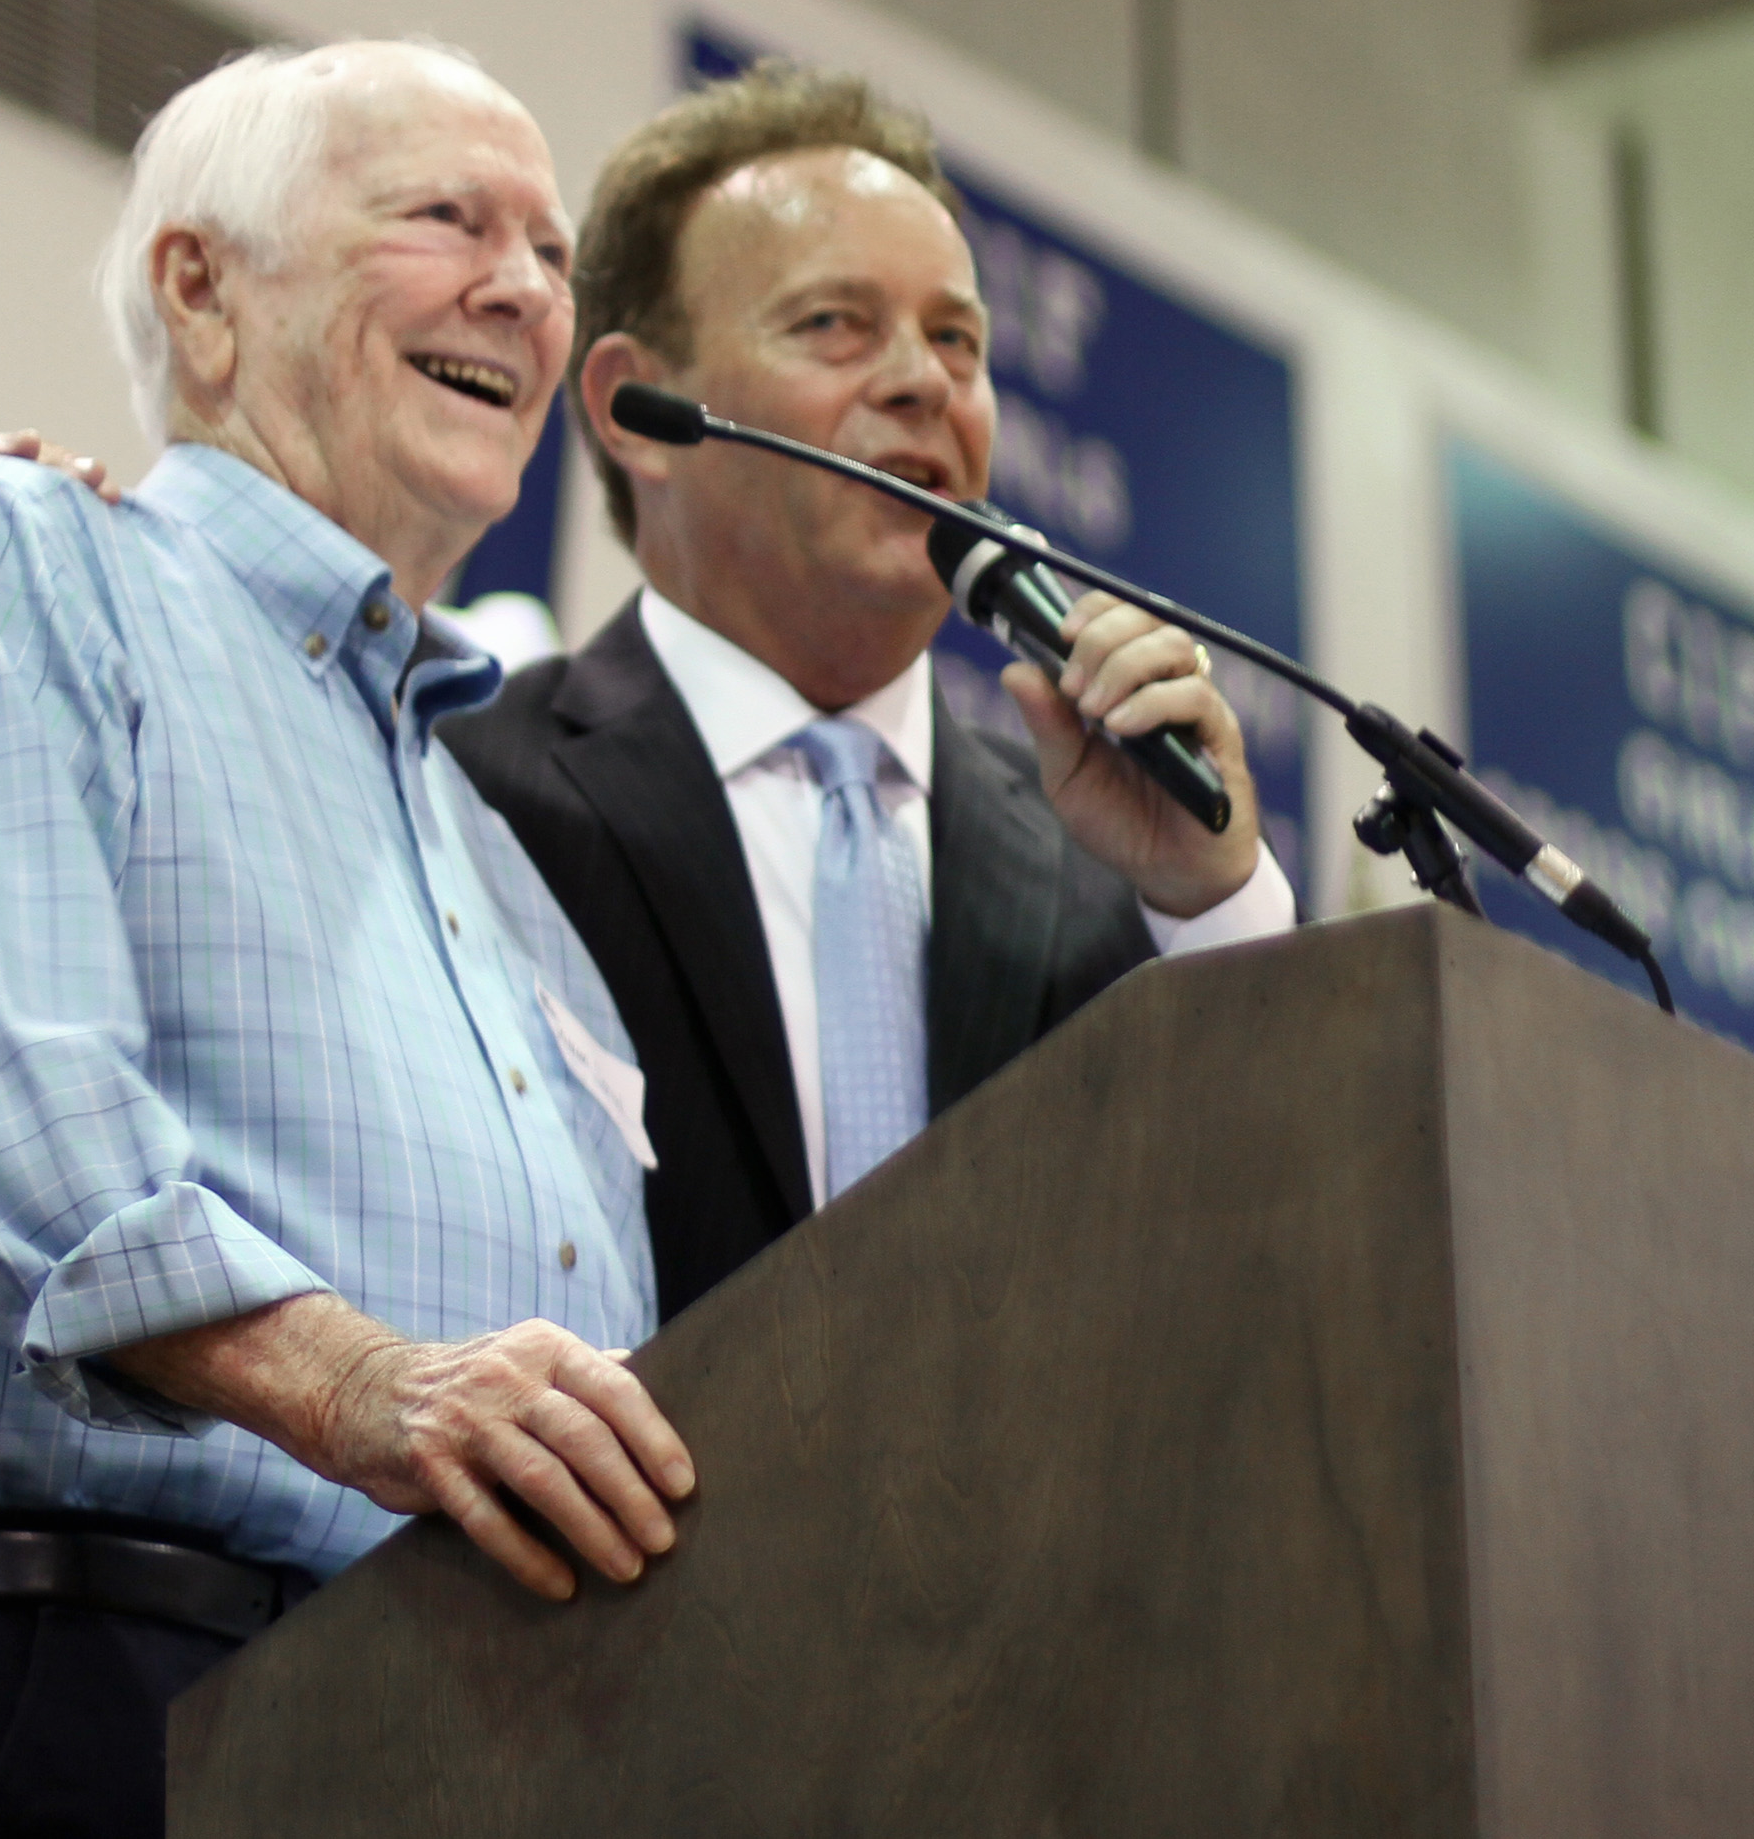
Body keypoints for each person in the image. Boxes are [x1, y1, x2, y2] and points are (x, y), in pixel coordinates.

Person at [0, 39, 694, 1839]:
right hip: (88, 1707)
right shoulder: (19, 559)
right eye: (449, 219)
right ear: (200, 290)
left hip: (468, 1748)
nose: (524, 286)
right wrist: (359, 1383)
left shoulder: (498, 857)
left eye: (552, 251)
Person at [438, 64, 1297, 1317]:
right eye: (834, 324)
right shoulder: (469, 797)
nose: (924, 383)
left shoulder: (1123, 853)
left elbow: (1267, 1263)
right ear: (636, 411)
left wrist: (1214, 903)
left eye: (958, 340)